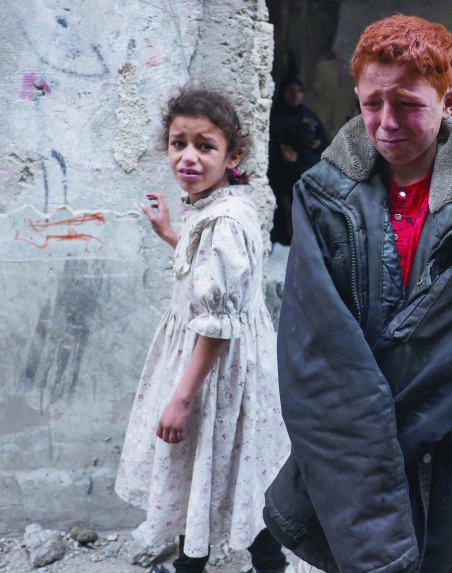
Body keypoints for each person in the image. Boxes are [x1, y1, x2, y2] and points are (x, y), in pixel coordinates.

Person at [263, 15, 452, 573]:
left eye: (408, 104)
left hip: (446, 442)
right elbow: (318, 352)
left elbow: (451, 355)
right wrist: (354, 453)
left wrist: (350, 444)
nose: (386, 122)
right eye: (372, 103)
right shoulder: (320, 197)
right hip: (350, 447)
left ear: (449, 100)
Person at [116, 87, 290, 573]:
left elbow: (217, 325)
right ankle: (259, 564)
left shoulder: (224, 223)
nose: (188, 157)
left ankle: (203, 568)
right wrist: (173, 234)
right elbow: (212, 275)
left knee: (206, 466)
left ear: (232, 155)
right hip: (225, 366)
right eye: (178, 143)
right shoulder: (219, 209)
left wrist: (182, 397)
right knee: (224, 469)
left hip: (213, 369)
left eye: (205, 146)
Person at [268, 77, 328, 244]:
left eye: (299, 91)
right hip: (282, 176)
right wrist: (280, 152)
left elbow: (324, 141)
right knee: (282, 213)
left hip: (307, 175)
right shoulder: (275, 116)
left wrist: (317, 145)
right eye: (291, 91)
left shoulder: (309, 116)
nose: (295, 95)